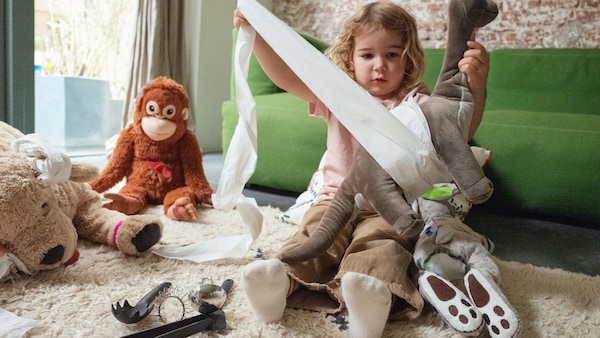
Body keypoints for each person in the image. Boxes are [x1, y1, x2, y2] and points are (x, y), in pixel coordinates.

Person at [233, 2, 490, 337]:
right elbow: (287, 76)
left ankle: (369, 295)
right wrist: (258, 38)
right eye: (367, 55)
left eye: (392, 55)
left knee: (380, 244)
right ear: (350, 58)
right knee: (313, 235)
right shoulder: (339, 95)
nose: (379, 66)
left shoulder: (415, 104)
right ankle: (280, 283)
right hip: (333, 200)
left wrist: (477, 85)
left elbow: (458, 131)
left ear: (408, 58)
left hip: (391, 209)